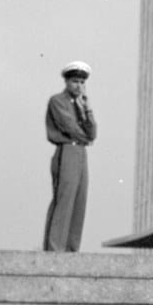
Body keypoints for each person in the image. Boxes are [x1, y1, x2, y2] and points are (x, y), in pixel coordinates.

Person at [43, 60, 97, 252]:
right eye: (75, 81)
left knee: (79, 201)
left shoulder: (82, 105)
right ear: (66, 82)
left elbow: (93, 134)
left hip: (81, 152)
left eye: (82, 82)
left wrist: (87, 111)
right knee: (64, 199)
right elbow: (70, 127)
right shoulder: (57, 101)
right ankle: (54, 247)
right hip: (67, 150)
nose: (79, 86)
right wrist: (87, 137)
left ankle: (71, 248)